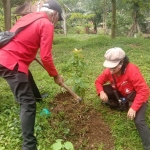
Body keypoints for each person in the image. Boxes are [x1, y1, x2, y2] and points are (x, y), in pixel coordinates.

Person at [0, 0, 64, 149]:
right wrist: (55, 75)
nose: (57, 22)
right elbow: (46, 57)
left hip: (4, 55)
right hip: (12, 63)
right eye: (58, 19)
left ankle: (38, 96)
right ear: (54, 14)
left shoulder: (30, 17)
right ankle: (29, 145)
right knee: (28, 103)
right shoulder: (47, 24)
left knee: (26, 74)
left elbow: (19, 35)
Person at [95, 47, 150, 150]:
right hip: (122, 93)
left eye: (114, 68)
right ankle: (122, 104)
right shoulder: (109, 71)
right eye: (109, 67)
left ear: (122, 62)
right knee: (104, 89)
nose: (111, 71)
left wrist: (134, 107)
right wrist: (101, 92)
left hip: (137, 97)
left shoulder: (132, 71)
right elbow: (98, 82)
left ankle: (148, 145)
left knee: (139, 121)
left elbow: (144, 91)